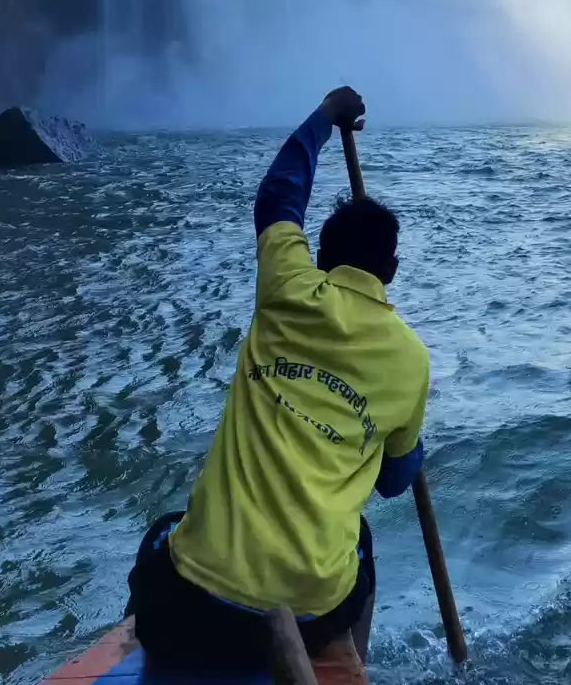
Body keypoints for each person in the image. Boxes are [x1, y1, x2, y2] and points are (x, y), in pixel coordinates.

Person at [128, 87, 429, 667]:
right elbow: (395, 481)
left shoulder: (286, 286)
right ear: (390, 270)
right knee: (360, 547)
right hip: (310, 615)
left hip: (198, 602)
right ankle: (344, 666)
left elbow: (279, 195)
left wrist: (326, 116)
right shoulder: (411, 360)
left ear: (319, 257)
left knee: (162, 535)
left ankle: (153, 663)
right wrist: (411, 449)